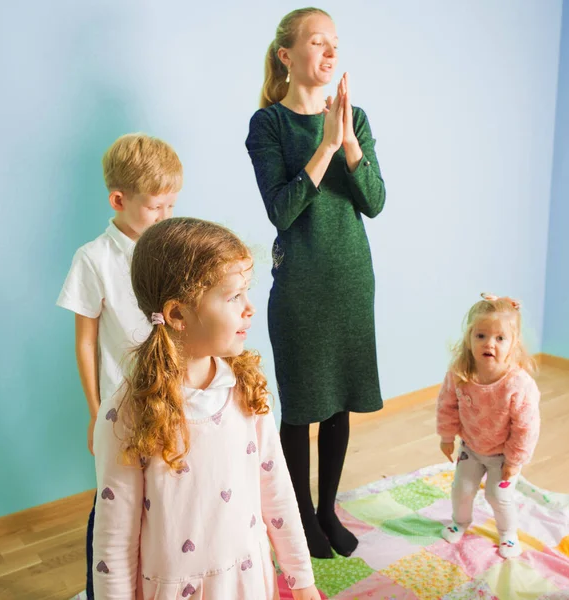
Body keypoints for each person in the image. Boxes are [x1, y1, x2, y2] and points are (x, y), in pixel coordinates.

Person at [92, 217, 321, 599]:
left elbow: (277, 492)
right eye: (233, 296)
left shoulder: (246, 388)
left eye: (247, 292)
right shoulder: (126, 415)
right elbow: (114, 545)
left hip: (249, 582)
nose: (249, 308)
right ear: (178, 314)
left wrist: (303, 581)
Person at [245, 7, 386, 558]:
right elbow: (282, 211)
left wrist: (349, 142)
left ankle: (327, 509)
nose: (330, 52)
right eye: (316, 42)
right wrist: (325, 145)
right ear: (287, 54)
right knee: (303, 405)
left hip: (353, 281)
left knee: (339, 403)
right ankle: (300, 515)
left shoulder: (359, 119)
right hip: (301, 286)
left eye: (335, 44)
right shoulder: (269, 125)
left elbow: (373, 202)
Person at [56, 133, 183, 598]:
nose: (166, 217)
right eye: (157, 207)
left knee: (168, 501)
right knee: (113, 509)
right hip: (121, 407)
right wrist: (95, 412)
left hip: (173, 399)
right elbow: (86, 341)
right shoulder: (93, 259)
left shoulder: (170, 248)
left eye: (173, 205)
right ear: (119, 199)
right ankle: (101, 589)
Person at [436, 293, 541, 558]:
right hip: (470, 448)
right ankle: (460, 522)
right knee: (462, 489)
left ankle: (508, 533)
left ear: (513, 343)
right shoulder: (460, 374)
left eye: (500, 338)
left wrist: (514, 461)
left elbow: (526, 428)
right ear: (469, 338)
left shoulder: (519, 385)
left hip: (503, 456)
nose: (489, 344)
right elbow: (447, 405)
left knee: (498, 496)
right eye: (481, 336)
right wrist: (447, 436)